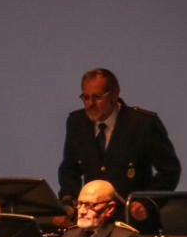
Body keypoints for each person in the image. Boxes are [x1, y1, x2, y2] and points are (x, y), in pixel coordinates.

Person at [58, 68, 180, 222]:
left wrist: (147, 202)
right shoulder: (77, 122)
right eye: (86, 97)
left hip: (131, 221)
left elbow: (169, 170)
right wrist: (69, 202)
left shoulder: (142, 123)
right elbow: (70, 169)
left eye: (97, 97)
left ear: (114, 95)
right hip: (93, 221)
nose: (90, 104)